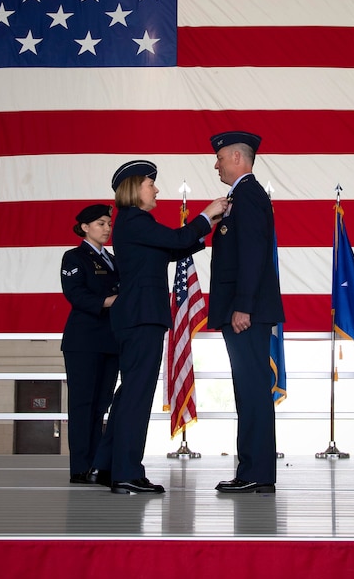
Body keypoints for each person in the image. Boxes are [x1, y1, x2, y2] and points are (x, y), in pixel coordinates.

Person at [96, 159, 228, 495]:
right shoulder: (135, 220)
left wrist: (208, 223)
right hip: (141, 317)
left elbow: (174, 246)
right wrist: (206, 213)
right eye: (150, 184)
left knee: (129, 394)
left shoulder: (133, 224)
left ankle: (107, 465)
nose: (156, 189)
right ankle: (126, 472)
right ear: (134, 189)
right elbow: (177, 237)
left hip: (137, 317)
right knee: (136, 397)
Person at [208, 132, 285, 493]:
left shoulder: (249, 196)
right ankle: (254, 470)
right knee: (247, 390)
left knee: (252, 390)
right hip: (244, 309)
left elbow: (253, 255)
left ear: (237, 157)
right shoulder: (240, 197)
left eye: (220, 158)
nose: (216, 164)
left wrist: (242, 305)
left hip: (246, 312)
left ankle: (255, 472)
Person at [60, 204, 120, 484]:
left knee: (100, 406)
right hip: (83, 341)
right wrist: (109, 301)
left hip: (110, 340)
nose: (107, 228)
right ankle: (80, 468)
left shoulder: (112, 259)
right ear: (84, 227)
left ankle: (97, 465)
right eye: (100, 223)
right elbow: (75, 294)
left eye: (108, 223)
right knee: (83, 405)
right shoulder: (74, 257)